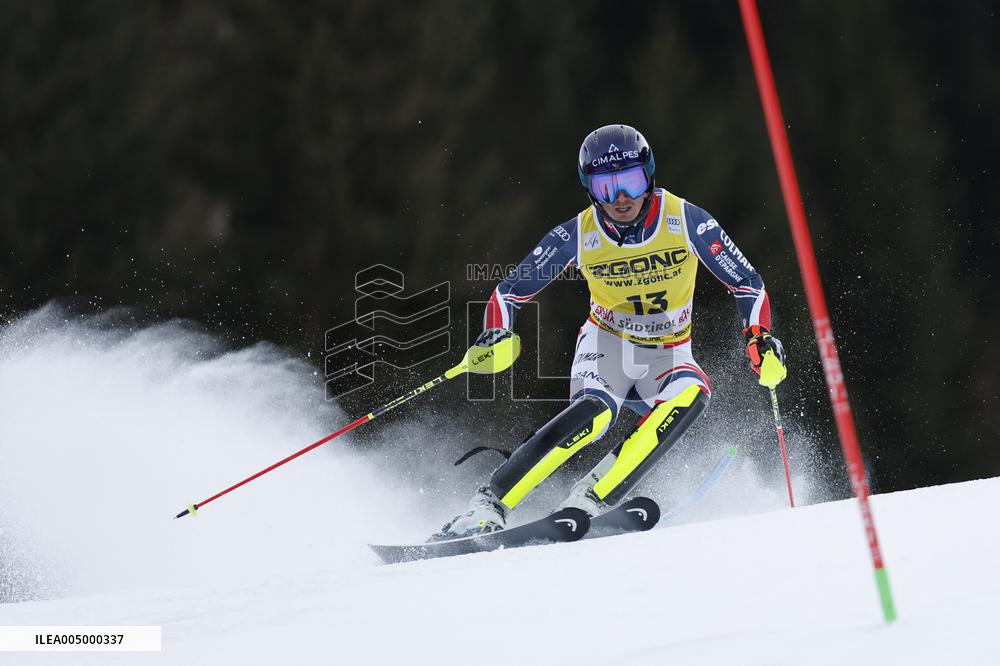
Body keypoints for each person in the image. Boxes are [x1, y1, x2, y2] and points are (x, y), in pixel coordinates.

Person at [436, 124, 786, 538]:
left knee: (693, 393)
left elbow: (746, 282)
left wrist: (759, 337)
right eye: (606, 187)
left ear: (648, 177)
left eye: (631, 182)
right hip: (607, 345)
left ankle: (591, 497)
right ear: (589, 188)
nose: (621, 199)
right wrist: (496, 332)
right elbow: (509, 292)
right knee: (597, 414)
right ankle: (487, 505)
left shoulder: (686, 220)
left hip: (668, 351)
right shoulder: (578, 234)